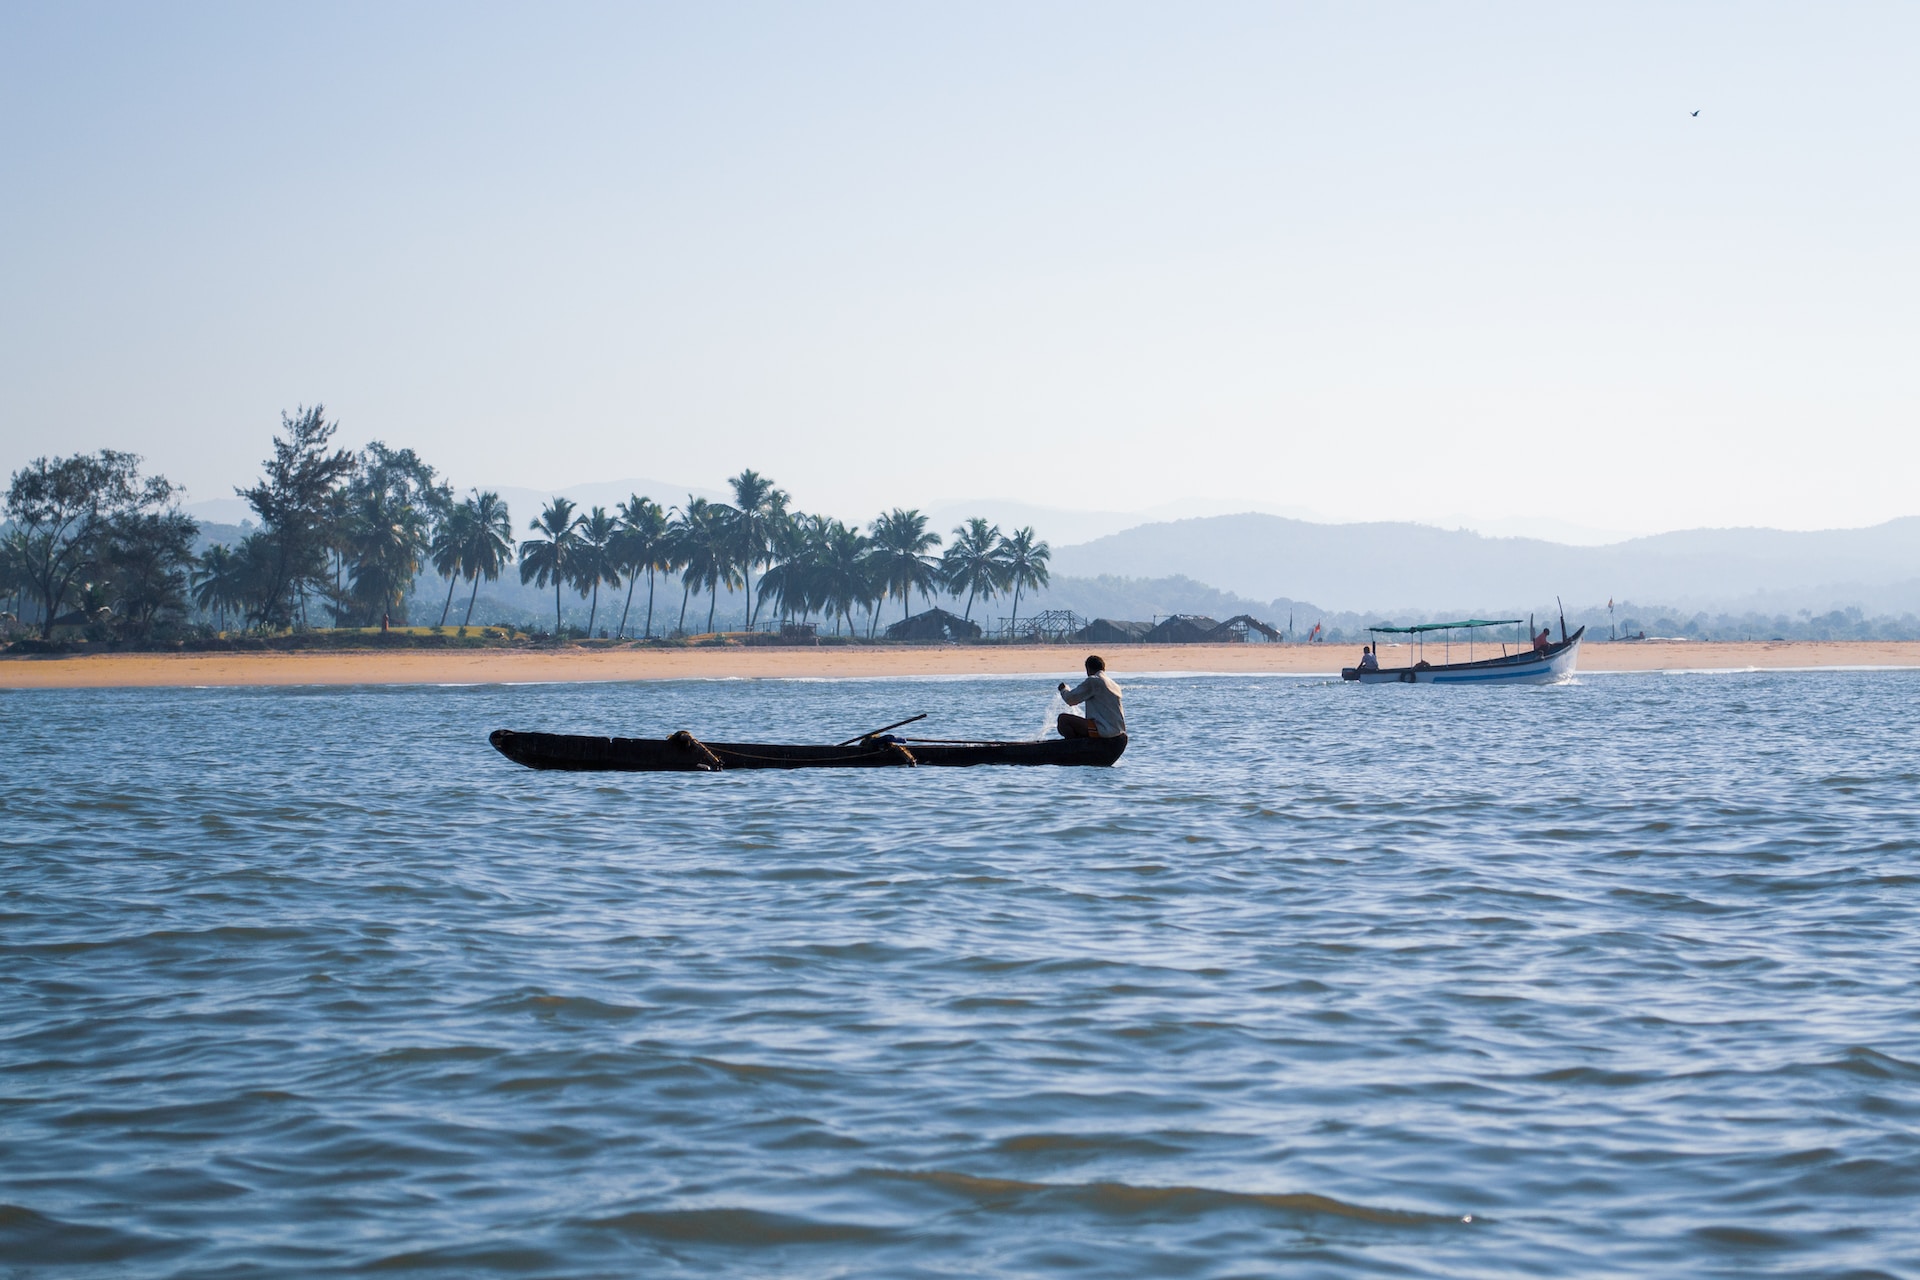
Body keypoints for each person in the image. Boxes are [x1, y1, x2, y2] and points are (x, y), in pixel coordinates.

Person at [1057, 655, 1126, 740]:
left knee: (1063, 720)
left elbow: (1070, 700)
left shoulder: (1094, 680)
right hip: (1118, 732)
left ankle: (1075, 748)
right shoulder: (1114, 684)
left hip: (1104, 731)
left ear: (1088, 669)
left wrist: (1063, 690)